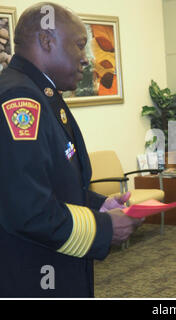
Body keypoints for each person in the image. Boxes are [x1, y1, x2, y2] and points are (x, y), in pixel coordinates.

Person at [0, 2, 142, 297]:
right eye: (80, 45)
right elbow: (28, 210)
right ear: (46, 41)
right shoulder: (21, 98)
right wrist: (104, 228)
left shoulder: (43, 92)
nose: (87, 59)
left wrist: (98, 205)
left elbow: (50, 184)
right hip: (33, 272)